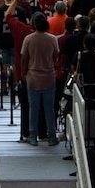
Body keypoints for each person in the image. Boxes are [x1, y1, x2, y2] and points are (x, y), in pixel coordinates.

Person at [19, 16, 60, 145]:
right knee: (49, 109)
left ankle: (32, 136)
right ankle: (52, 136)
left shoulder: (29, 39)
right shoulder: (53, 39)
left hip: (33, 77)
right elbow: (55, 56)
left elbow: (24, 59)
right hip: (48, 77)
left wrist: (23, 74)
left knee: (33, 108)